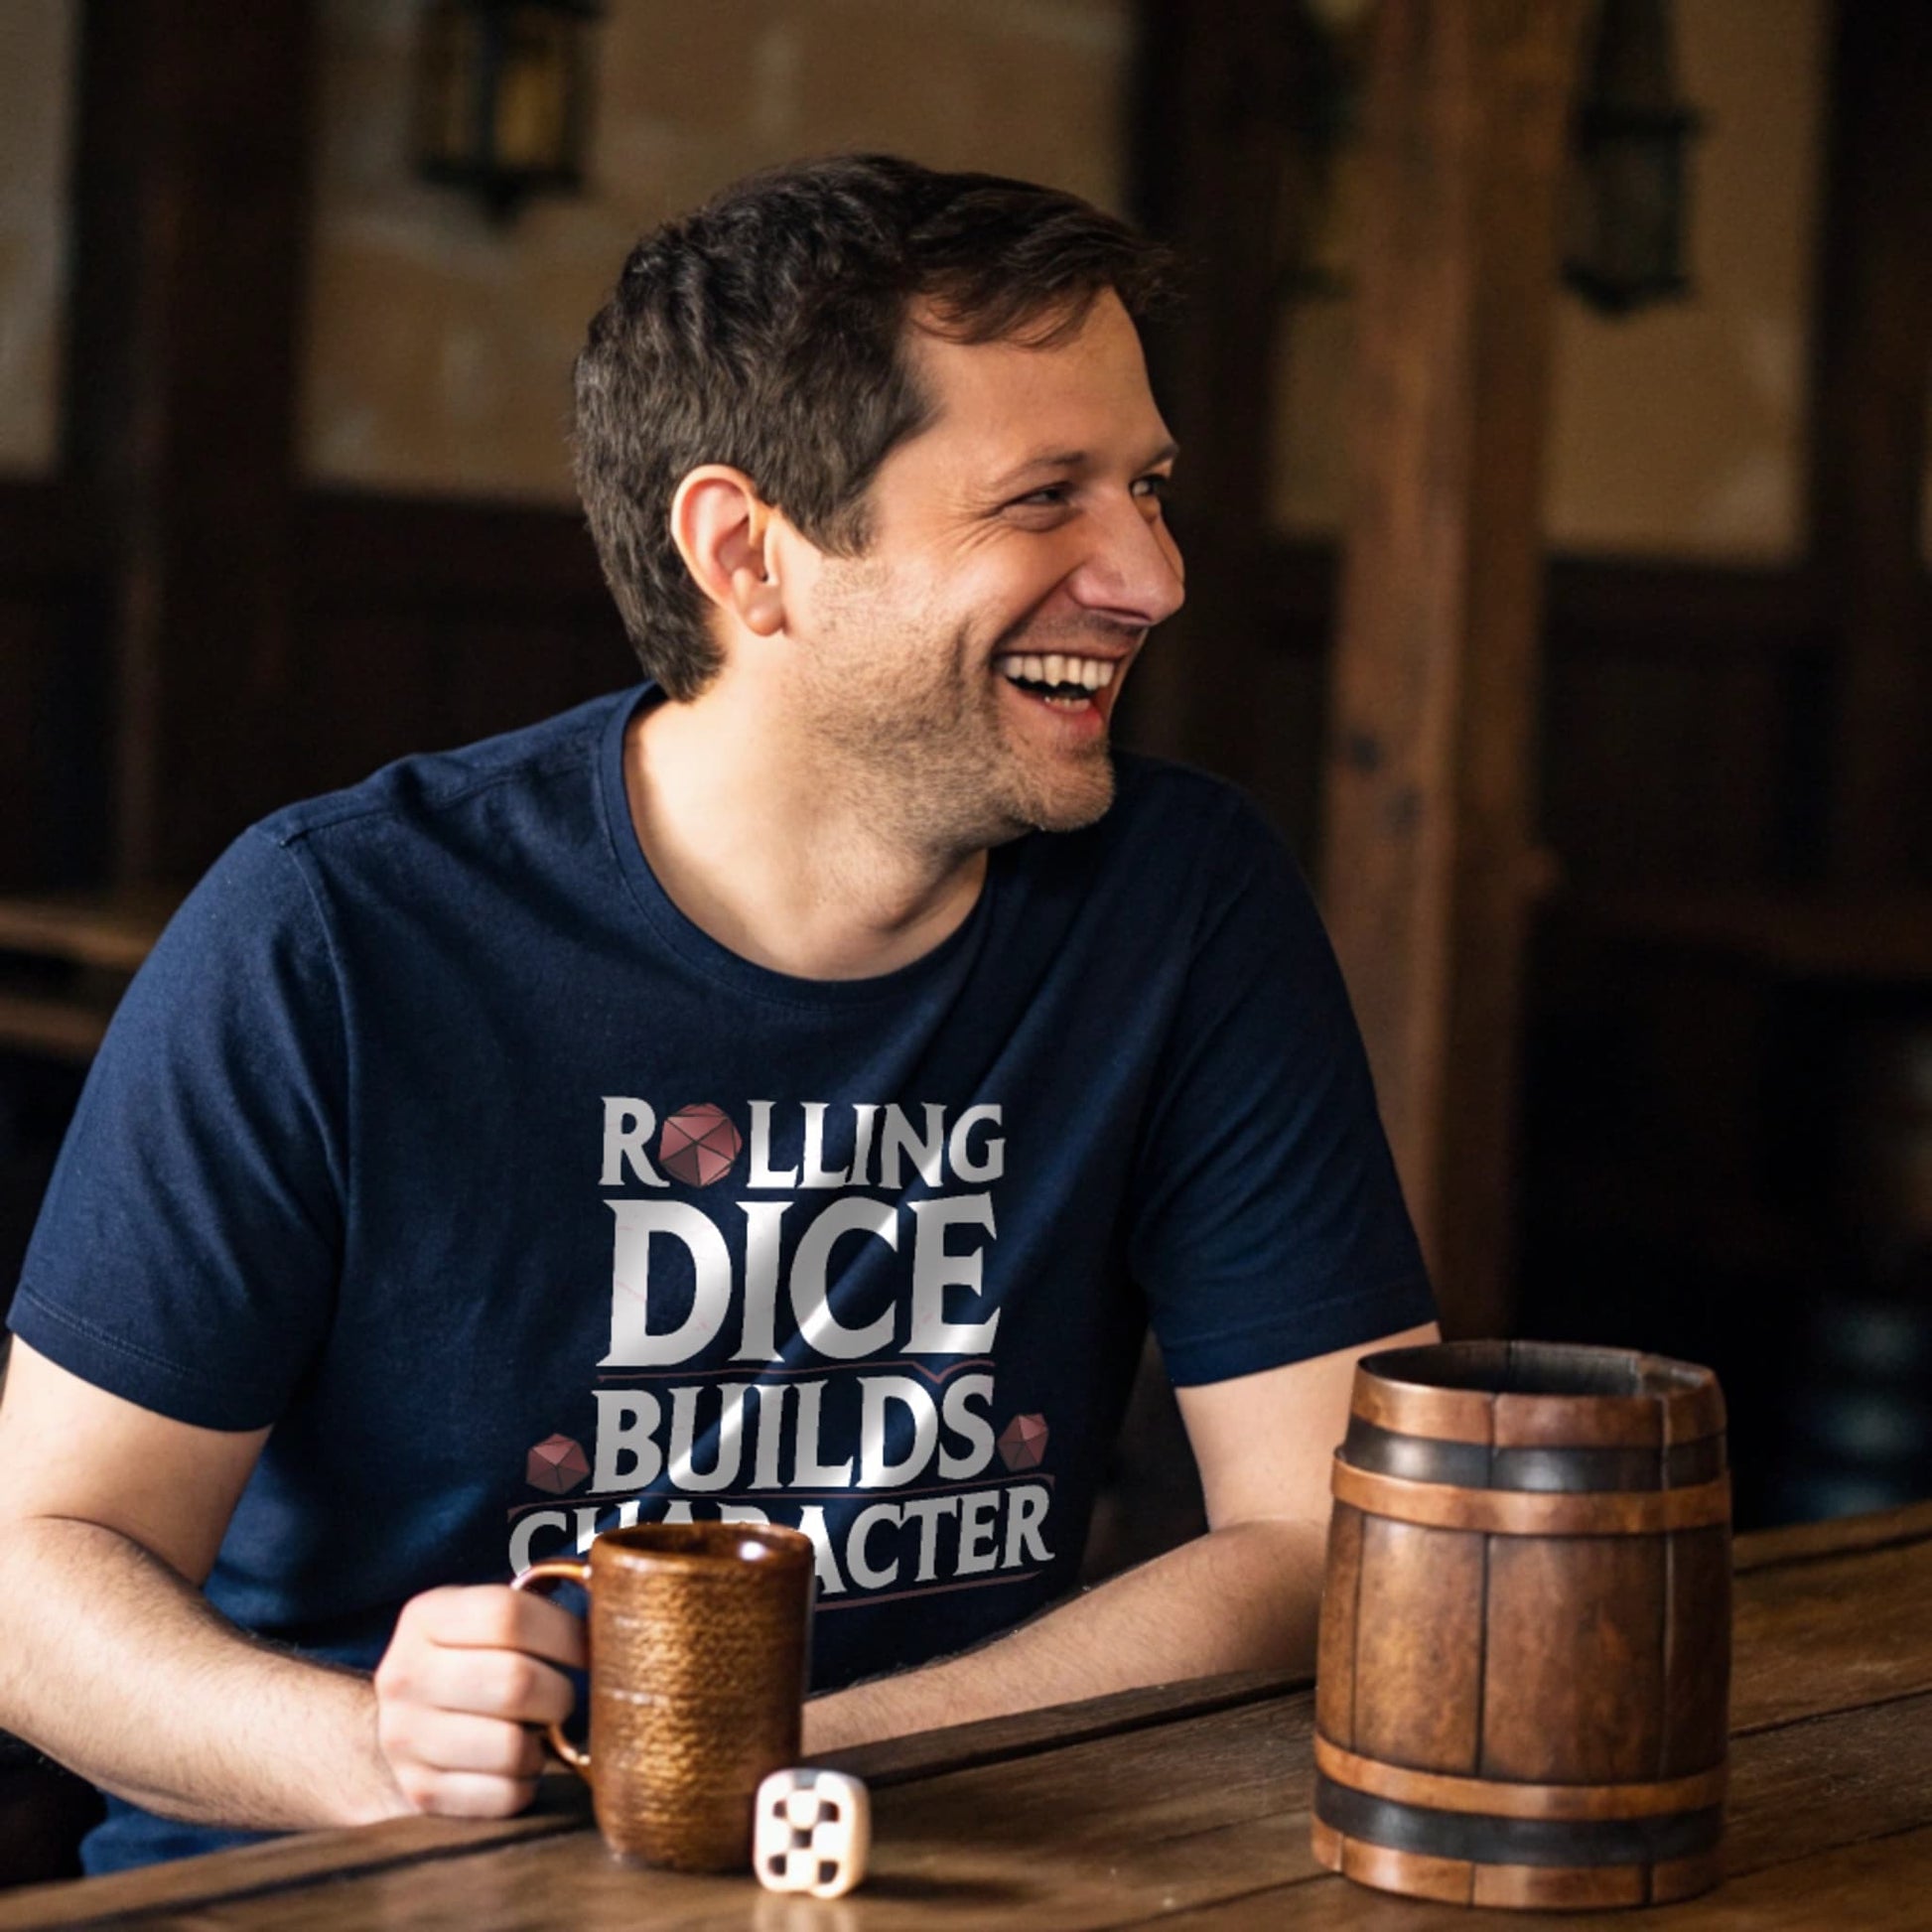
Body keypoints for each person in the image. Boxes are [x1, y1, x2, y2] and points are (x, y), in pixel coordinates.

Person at [0, 154, 1437, 1872]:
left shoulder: (1183, 901)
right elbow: (35, 1574)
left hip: (917, 1863)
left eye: (1147, 485)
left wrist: (760, 1765)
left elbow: (1330, 1530)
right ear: (747, 553)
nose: (1153, 573)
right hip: (370, 1885)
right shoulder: (329, 925)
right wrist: (371, 1751)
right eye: (1045, 496)